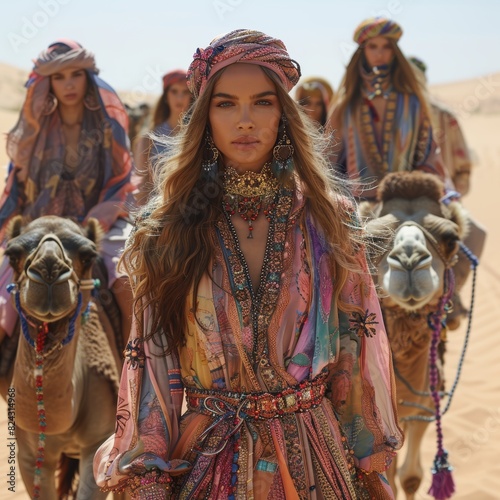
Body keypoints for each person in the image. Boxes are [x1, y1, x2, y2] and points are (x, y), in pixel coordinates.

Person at [93, 29, 403, 499]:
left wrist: (369, 463)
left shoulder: (330, 217)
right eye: (225, 104)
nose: (245, 121)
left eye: (262, 102)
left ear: (283, 113)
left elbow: (355, 347)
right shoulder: (169, 227)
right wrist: (149, 478)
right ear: (204, 116)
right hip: (209, 463)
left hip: (318, 461)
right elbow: (151, 361)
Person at [0, 39, 135, 347]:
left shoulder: (108, 126)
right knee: (2, 304)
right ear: (48, 83)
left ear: (88, 77)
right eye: (58, 77)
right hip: (38, 227)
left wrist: (109, 209)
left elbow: (123, 177)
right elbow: (18, 186)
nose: (68, 84)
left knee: (128, 283)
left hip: (99, 223)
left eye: (75, 74)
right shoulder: (33, 132)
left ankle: (136, 376)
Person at [328, 17, 447, 200]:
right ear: (362, 51)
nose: (380, 53)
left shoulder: (413, 103)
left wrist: (426, 184)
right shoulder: (346, 105)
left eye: (387, 47)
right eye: (372, 46)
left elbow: (429, 151)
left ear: (394, 52)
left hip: (408, 199)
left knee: (469, 229)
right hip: (358, 203)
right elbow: (329, 158)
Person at [409, 56, 473, 196]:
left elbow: (463, 165)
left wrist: (453, 197)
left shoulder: (445, 116)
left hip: (441, 197)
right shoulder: (388, 117)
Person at [134, 70, 193, 205]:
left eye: (185, 92)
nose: (179, 98)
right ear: (166, 96)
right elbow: (142, 185)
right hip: (157, 210)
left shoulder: (199, 134)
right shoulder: (148, 139)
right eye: (174, 91)